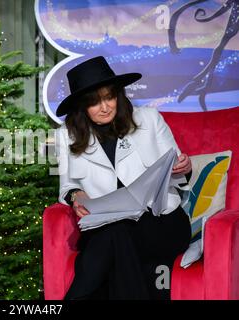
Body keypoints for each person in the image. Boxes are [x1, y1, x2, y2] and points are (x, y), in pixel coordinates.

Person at [55, 56, 192, 300]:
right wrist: (77, 195)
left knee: (110, 240)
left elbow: (177, 168)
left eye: (109, 97)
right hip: (108, 225)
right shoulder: (65, 136)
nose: (105, 107)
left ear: (118, 95)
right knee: (115, 233)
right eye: (94, 102)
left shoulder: (149, 119)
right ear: (81, 107)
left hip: (161, 222)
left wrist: (182, 167)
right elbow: (67, 186)